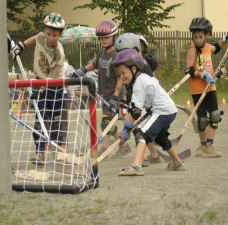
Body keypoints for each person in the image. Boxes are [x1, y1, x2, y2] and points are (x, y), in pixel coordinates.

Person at [112, 49, 184, 176]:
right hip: (169, 111)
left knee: (141, 134)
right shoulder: (145, 77)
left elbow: (135, 112)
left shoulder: (139, 82)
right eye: (120, 74)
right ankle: (177, 162)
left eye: (123, 73)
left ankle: (137, 166)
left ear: (133, 69)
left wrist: (127, 129)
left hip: (162, 111)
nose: (121, 77)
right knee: (161, 138)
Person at [11, 13, 68, 165]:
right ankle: (40, 152)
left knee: (56, 120)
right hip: (39, 82)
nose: (50, 38)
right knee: (40, 118)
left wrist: (45, 83)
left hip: (55, 85)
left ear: (60, 34)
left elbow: (54, 74)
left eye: (54, 35)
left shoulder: (58, 52)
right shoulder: (41, 37)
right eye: (48, 34)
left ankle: (60, 149)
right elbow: (35, 38)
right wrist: (21, 46)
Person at [71, 20, 123, 156]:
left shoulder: (116, 56)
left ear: (114, 37)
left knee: (106, 122)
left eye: (106, 37)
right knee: (110, 122)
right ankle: (124, 144)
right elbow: (95, 64)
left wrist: (116, 98)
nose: (103, 40)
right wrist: (82, 70)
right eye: (101, 38)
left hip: (114, 95)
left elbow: (120, 79)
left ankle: (104, 150)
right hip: (104, 94)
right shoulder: (101, 53)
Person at [114, 32, 161, 165]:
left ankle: (143, 158)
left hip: (148, 102)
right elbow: (130, 87)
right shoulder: (135, 62)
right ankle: (154, 154)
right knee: (142, 128)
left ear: (134, 50)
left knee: (139, 129)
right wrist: (124, 100)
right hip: (145, 101)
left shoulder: (139, 65)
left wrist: (127, 126)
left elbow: (138, 90)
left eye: (123, 53)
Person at [186, 17, 228, 158]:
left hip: (210, 88)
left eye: (200, 36)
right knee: (203, 120)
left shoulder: (207, 47)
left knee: (215, 116)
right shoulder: (192, 50)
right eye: (195, 36)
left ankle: (210, 145)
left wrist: (224, 39)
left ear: (207, 35)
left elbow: (216, 48)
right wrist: (202, 74)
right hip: (198, 90)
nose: (197, 39)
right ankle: (202, 146)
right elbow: (189, 71)